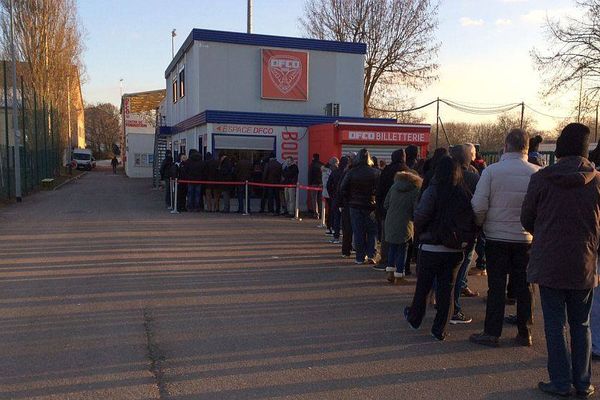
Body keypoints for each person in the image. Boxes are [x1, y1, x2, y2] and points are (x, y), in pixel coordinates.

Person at [521, 123, 600, 398]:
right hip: (584, 262)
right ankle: (583, 381)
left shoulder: (542, 178)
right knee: (582, 324)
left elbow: (526, 217)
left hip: (550, 260)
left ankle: (560, 381)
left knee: (555, 324)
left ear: (559, 149)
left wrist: (543, 234)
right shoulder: (597, 181)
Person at [469, 129, 540, 348]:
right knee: (525, 286)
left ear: (506, 145)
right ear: (526, 148)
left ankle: (492, 333)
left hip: (496, 237)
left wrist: (481, 224)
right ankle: (524, 332)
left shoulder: (491, 172)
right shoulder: (537, 173)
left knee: (496, 285)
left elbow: (479, 205)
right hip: (526, 238)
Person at [404, 155, 476, 341]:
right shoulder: (464, 194)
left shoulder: (432, 191)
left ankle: (415, 318)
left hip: (430, 247)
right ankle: (440, 329)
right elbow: (472, 221)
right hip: (454, 250)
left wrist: (421, 235)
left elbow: (420, 216)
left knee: (423, 287)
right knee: (447, 290)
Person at [448, 145, 480, 325]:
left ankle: (444, 304)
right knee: (460, 269)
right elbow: (480, 205)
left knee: (446, 270)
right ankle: (454, 309)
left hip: (443, 232)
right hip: (466, 232)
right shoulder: (474, 178)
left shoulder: (441, 176)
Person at [340, 148, 380, 265]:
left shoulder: (351, 172)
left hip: (354, 205)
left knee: (358, 231)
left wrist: (349, 199)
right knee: (372, 231)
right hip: (370, 205)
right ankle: (372, 254)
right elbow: (379, 190)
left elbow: (343, 188)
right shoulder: (376, 172)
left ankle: (360, 257)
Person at [383, 171, 422, 284]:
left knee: (392, 247)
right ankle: (399, 276)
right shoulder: (416, 190)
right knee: (402, 249)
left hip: (390, 221)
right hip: (406, 223)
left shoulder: (394, 187)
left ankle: (390, 272)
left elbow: (385, 204)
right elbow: (416, 209)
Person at [375, 149, 410, 270]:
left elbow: (379, 190)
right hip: (405, 212)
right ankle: (401, 267)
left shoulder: (387, 170)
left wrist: (379, 208)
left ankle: (385, 261)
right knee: (403, 240)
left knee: (387, 237)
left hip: (387, 210)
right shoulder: (409, 172)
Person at [327, 156, 348, 245]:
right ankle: (346, 237)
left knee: (336, 217)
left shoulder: (334, 172)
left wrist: (332, 195)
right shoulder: (347, 173)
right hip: (346, 199)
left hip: (336, 197)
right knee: (346, 219)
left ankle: (336, 236)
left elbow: (328, 185)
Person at [322, 157, 338, 233]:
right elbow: (325, 183)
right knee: (332, 211)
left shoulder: (328, 171)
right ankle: (330, 227)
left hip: (329, 193)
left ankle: (330, 227)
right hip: (329, 193)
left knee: (331, 210)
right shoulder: (327, 172)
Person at [308, 153, 324, 218]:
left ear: (313, 158)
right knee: (320, 199)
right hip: (321, 184)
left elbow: (310, 175)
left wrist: (309, 183)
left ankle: (316, 214)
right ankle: (321, 213)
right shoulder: (322, 165)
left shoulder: (312, 165)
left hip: (314, 184)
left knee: (314, 199)